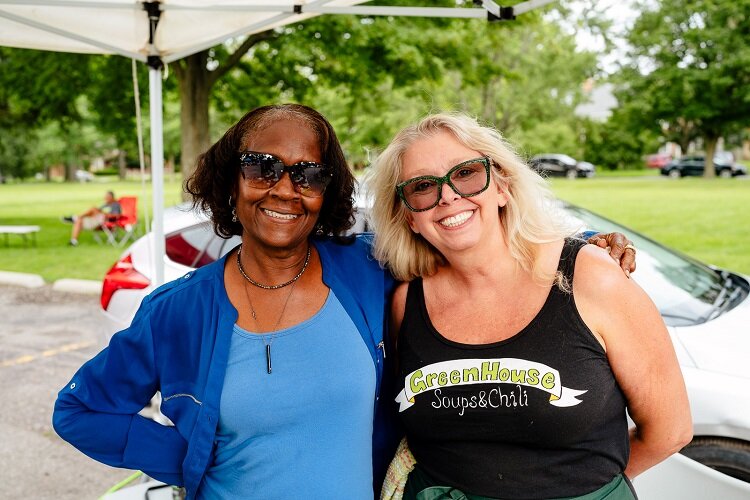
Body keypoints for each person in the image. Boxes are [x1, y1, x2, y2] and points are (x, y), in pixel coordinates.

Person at [52, 104, 634, 499]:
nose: (284, 188)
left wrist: (574, 249)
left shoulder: (368, 270)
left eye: (309, 174)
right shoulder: (177, 311)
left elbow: (467, 242)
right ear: (232, 179)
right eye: (262, 167)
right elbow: (80, 411)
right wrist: (187, 453)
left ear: (328, 191)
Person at [367, 113, 692, 499]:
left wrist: (589, 490)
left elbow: (670, 431)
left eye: (467, 173)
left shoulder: (591, 278)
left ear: (502, 185)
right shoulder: (407, 302)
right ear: (410, 216)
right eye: (423, 186)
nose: (449, 195)